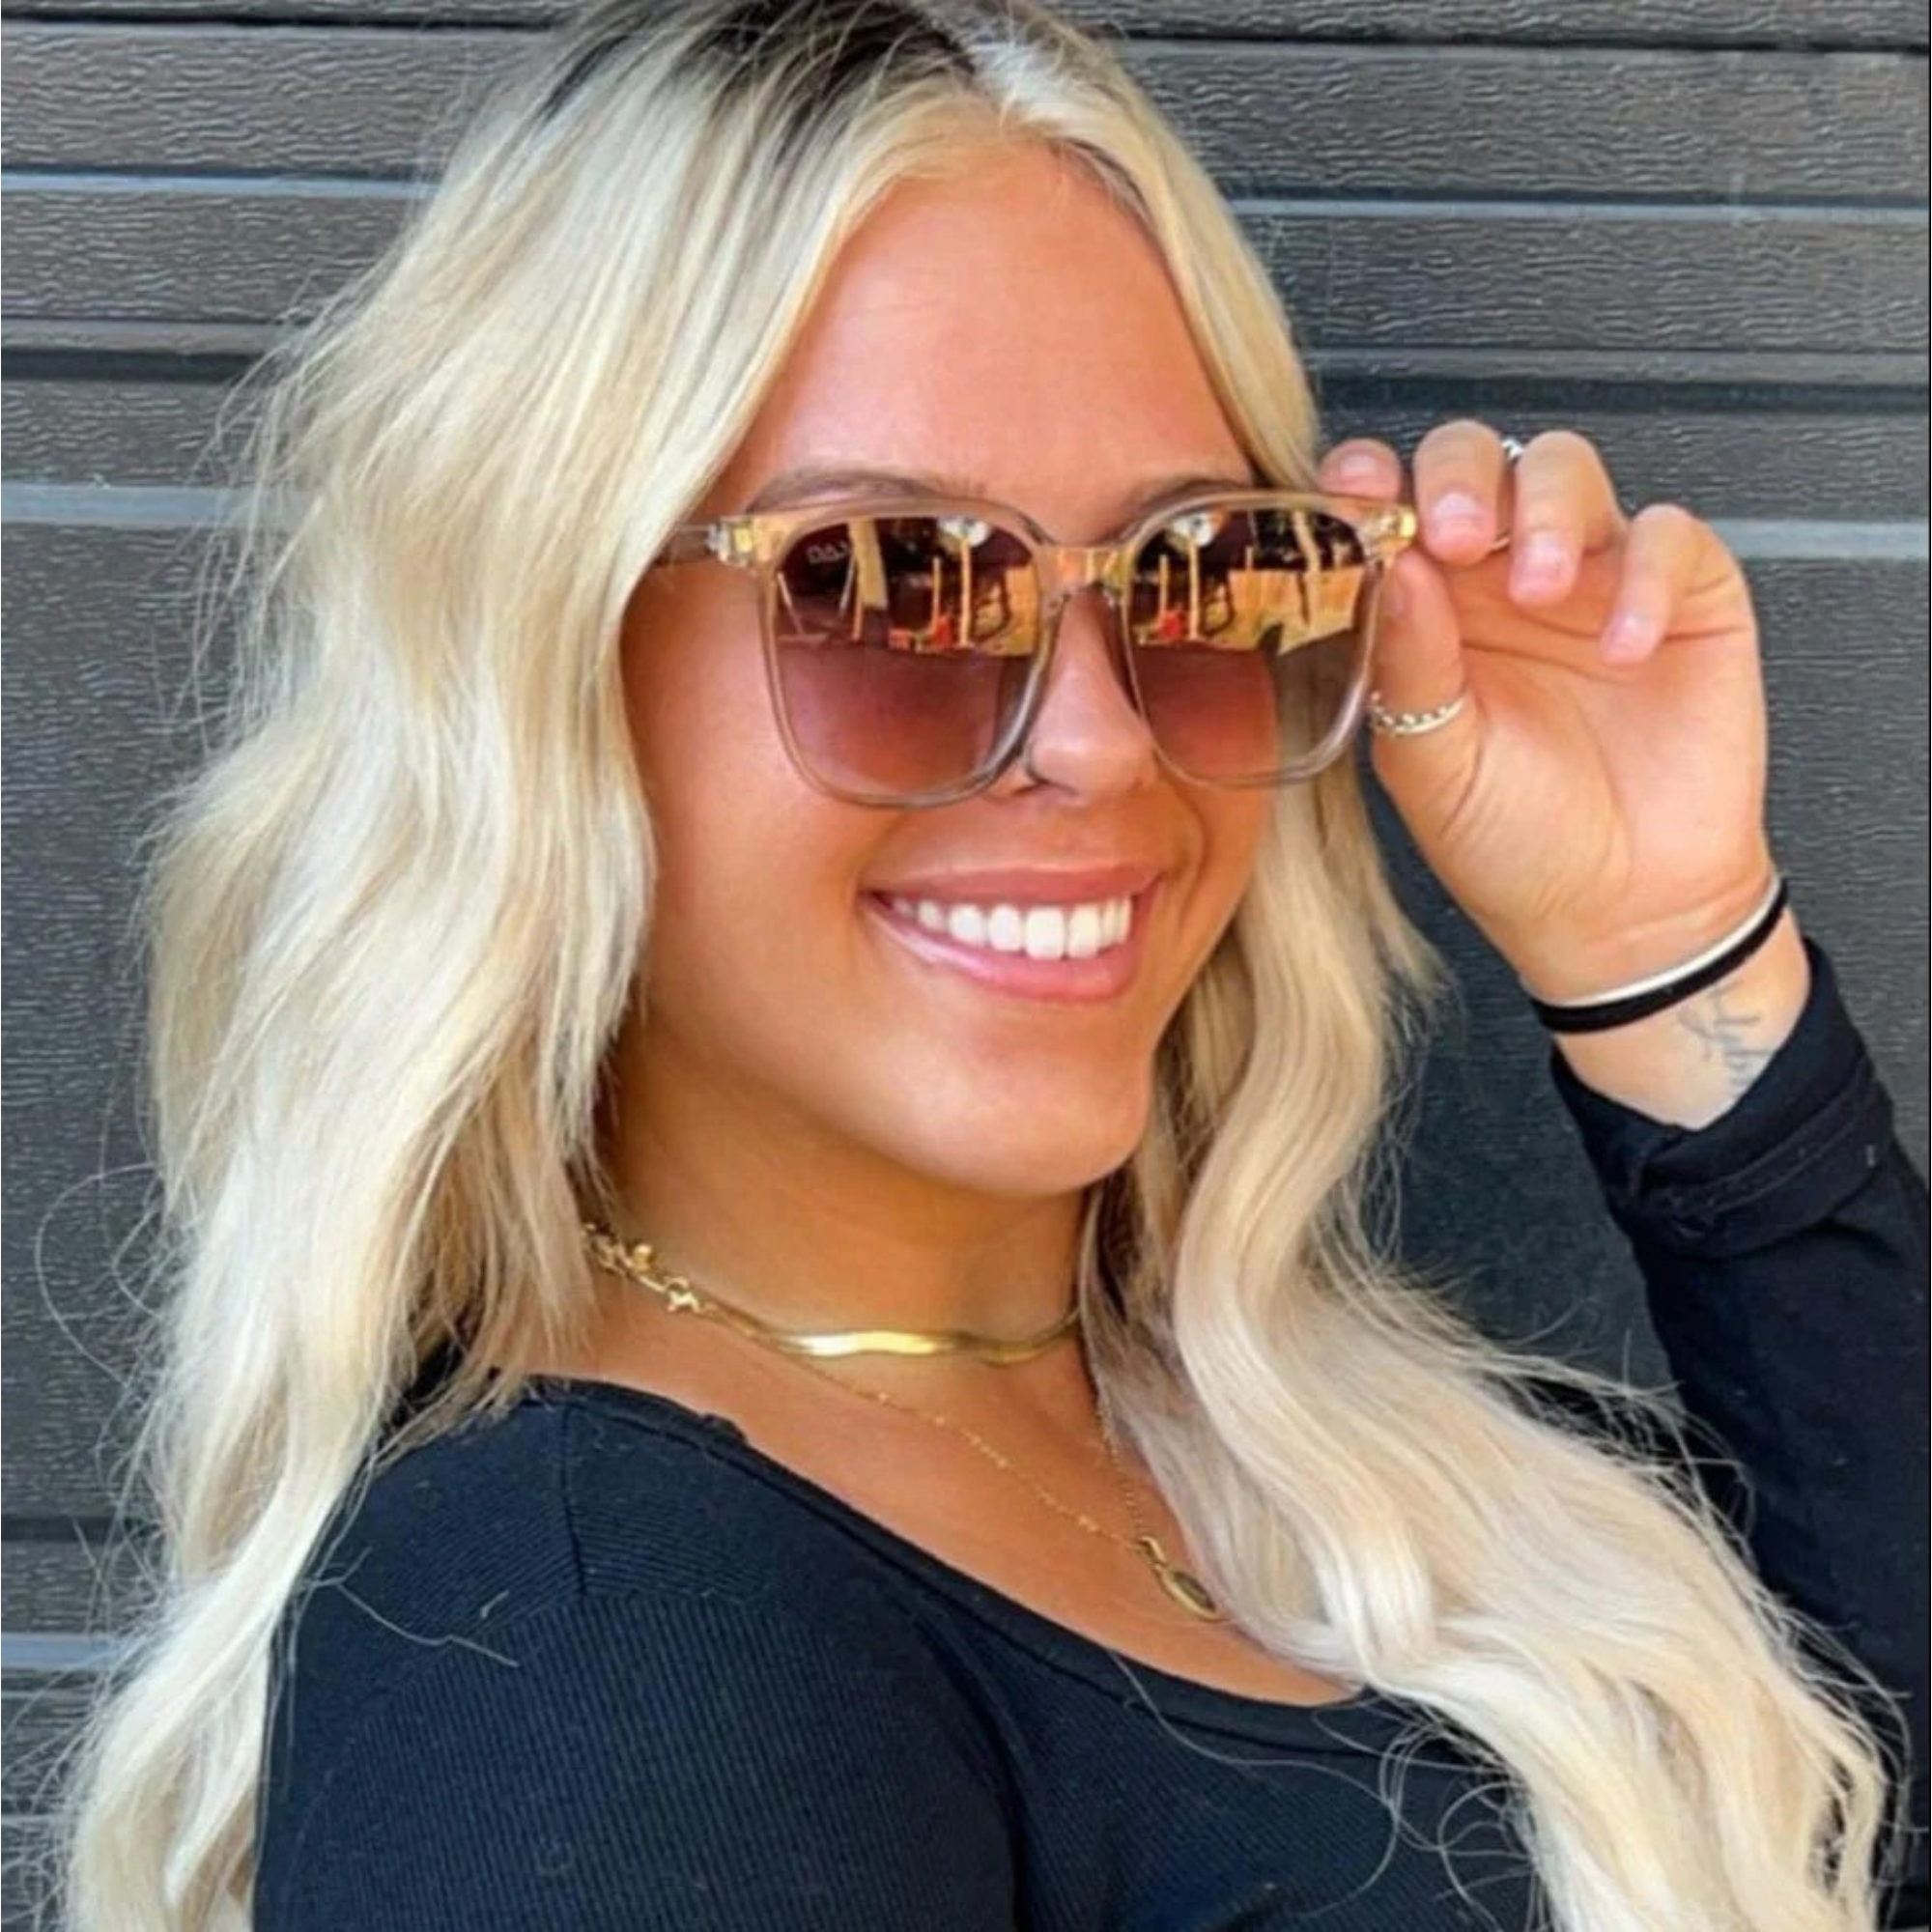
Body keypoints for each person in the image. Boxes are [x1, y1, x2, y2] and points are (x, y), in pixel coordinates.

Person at [50, 1, 1926, 1927]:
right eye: (894, 583)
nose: (1099, 740)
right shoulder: (570, 1639)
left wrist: (1661, 943)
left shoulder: (1352, 1456)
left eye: (1205, 571)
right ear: (547, 665)